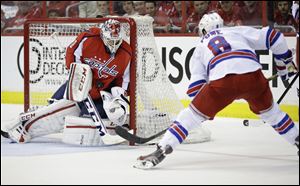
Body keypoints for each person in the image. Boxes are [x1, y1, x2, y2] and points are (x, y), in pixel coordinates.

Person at [134, 12, 299, 169]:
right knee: (273, 114)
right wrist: (283, 67)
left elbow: (195, 90)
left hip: (222, 83)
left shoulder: (200, 46)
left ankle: (161, 150)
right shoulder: (236, 31)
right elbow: (275, 37)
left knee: (189, 116)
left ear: (203, 30)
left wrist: (202, 111)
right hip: (254, 78)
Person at [2, 19, 132, 147]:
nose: (113, 45)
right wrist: (79, 76)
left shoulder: (126, 52)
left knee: (66, 115)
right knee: (54, 108)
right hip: (79, 86)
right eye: (110, 40)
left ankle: (26, 125)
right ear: (102, 35)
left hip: (98, 94)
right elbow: (72, 53)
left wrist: (118, 99)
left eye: (117, 41)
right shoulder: (89, 38)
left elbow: (124, 80)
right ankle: (23, 123)